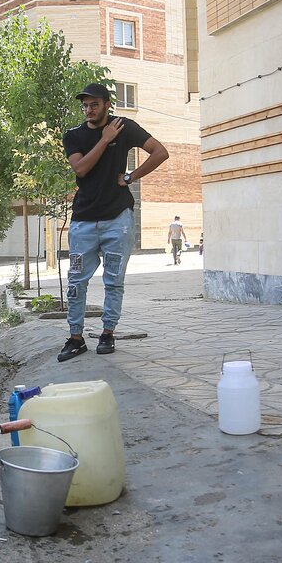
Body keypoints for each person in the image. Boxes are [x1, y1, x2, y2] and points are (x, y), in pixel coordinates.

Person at [58, 82, 169, 361]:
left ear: (107, 104)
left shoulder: (125, 127)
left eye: (94, 104)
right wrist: (105, 140)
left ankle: (108, 333)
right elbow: (81, 169)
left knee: (114, 280)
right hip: (83, 221)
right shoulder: (74, 136)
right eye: (85, 105)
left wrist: (131, 177)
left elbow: (160, 152)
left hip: (118, 219)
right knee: (76, 280)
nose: (88, 109)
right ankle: (75, 337)